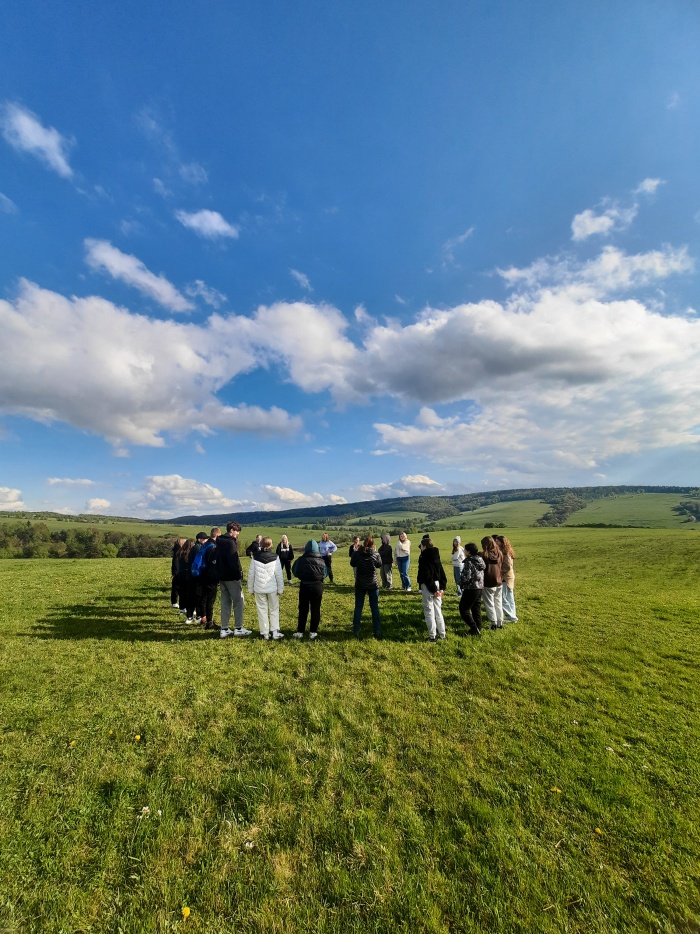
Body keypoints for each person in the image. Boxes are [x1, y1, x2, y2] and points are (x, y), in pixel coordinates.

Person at [217, 521, 252, 639]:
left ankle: (224, 628)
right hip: (232, 577)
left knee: (225, 602)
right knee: (238, 602)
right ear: (231, 530)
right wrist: (239, 575)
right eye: (237, 531)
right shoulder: (231, 543)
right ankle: (238, 628)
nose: (238, 534)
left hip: (221, 576)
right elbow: (234, 562)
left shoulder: (219, 541)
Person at [248, 536, 285, 640]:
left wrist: (250, 589)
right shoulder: (275, 557)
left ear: (261, 545)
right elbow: (279, 574)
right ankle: (274, 632)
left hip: (259, 588)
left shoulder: (255, 557)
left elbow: (251, 574)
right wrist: (280, 588)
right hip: (272, 588)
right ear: (271, 545)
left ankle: (265, 633)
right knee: (274, 609)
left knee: (262, 610)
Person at [291, 539, 326, 638]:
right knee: (315, 609)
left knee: (303, 609)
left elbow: (294, 571)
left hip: (305, 586)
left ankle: (300, 631)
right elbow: (325, 574)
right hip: (317, 587)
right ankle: (313, 632)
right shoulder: (322, 561)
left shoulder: (300, 560)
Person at [416, 534, 448, 642]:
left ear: (424, 546)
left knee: (429, 610)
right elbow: (441, 572)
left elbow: (426, 575)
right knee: (438, 610)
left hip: (428, 585)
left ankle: (432, 636)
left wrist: (433, 590)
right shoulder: (436, 555)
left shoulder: (424, 557)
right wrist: (441, 588)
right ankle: (442, 634)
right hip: (437, 583)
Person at [350, 537, 382, 638]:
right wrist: (376, 552)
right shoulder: (375, 554)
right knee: (374, 607)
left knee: (358, 607)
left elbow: (352, 563)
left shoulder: (357, 553)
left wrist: (355, 553)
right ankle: (377, 630)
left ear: (363, 544)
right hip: (373, 583)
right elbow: (379, 565)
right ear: (373, 545)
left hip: (360, 583)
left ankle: (356, 629)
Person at [459, 542, 486, 635]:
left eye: (465, 550)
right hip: (480, 587)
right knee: (476, 608)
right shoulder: (480, 560)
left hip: (471, 588)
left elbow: (466, 576)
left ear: (468, 552)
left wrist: (461, 583)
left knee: (463, 609)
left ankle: (474, 628)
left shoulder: (469, 561)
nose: (464, 551)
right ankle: (478, 627)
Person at [197, 527, 220, 629]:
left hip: (202, 574)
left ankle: (203, 618)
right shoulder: (213, 547)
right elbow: (213, 563)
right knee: (210, 599)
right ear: (218, 535)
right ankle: (209, 622)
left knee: (204, 597)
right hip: (210, 576)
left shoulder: (205, 545)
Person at [481, 535, 504, 630]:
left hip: (488, 581)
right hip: (499, 580)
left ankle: (493, 623)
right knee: (498, 602)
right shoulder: (499, 553)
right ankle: (500, 622)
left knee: (489, 603)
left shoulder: (484, 555)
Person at [495, 535, 518, 622]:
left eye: (497, 541)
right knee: (509, 598)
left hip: (506, 577)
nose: (496, 543)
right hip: (509, 577)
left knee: (503, 598)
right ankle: (512, 615)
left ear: (502, 542)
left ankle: (511, 617)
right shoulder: (506, 551)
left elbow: (507, 566)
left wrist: (499, 572)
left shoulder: (505, 553)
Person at [177, 539, 196, 623]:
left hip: (180, 575)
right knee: (190, 594)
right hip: (188, 575)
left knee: (182, 593)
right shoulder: (189, 554)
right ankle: (190, 610)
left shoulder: (180, 553)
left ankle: (182, 607)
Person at [170, 537, 185, 608]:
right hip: (178, 571)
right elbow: (176, 562)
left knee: (175, 587)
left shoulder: (176, 549)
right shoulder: (179, 550)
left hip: (176, 571)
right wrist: (176, 572)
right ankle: (175, 602)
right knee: (177, 588)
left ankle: (174, 602)